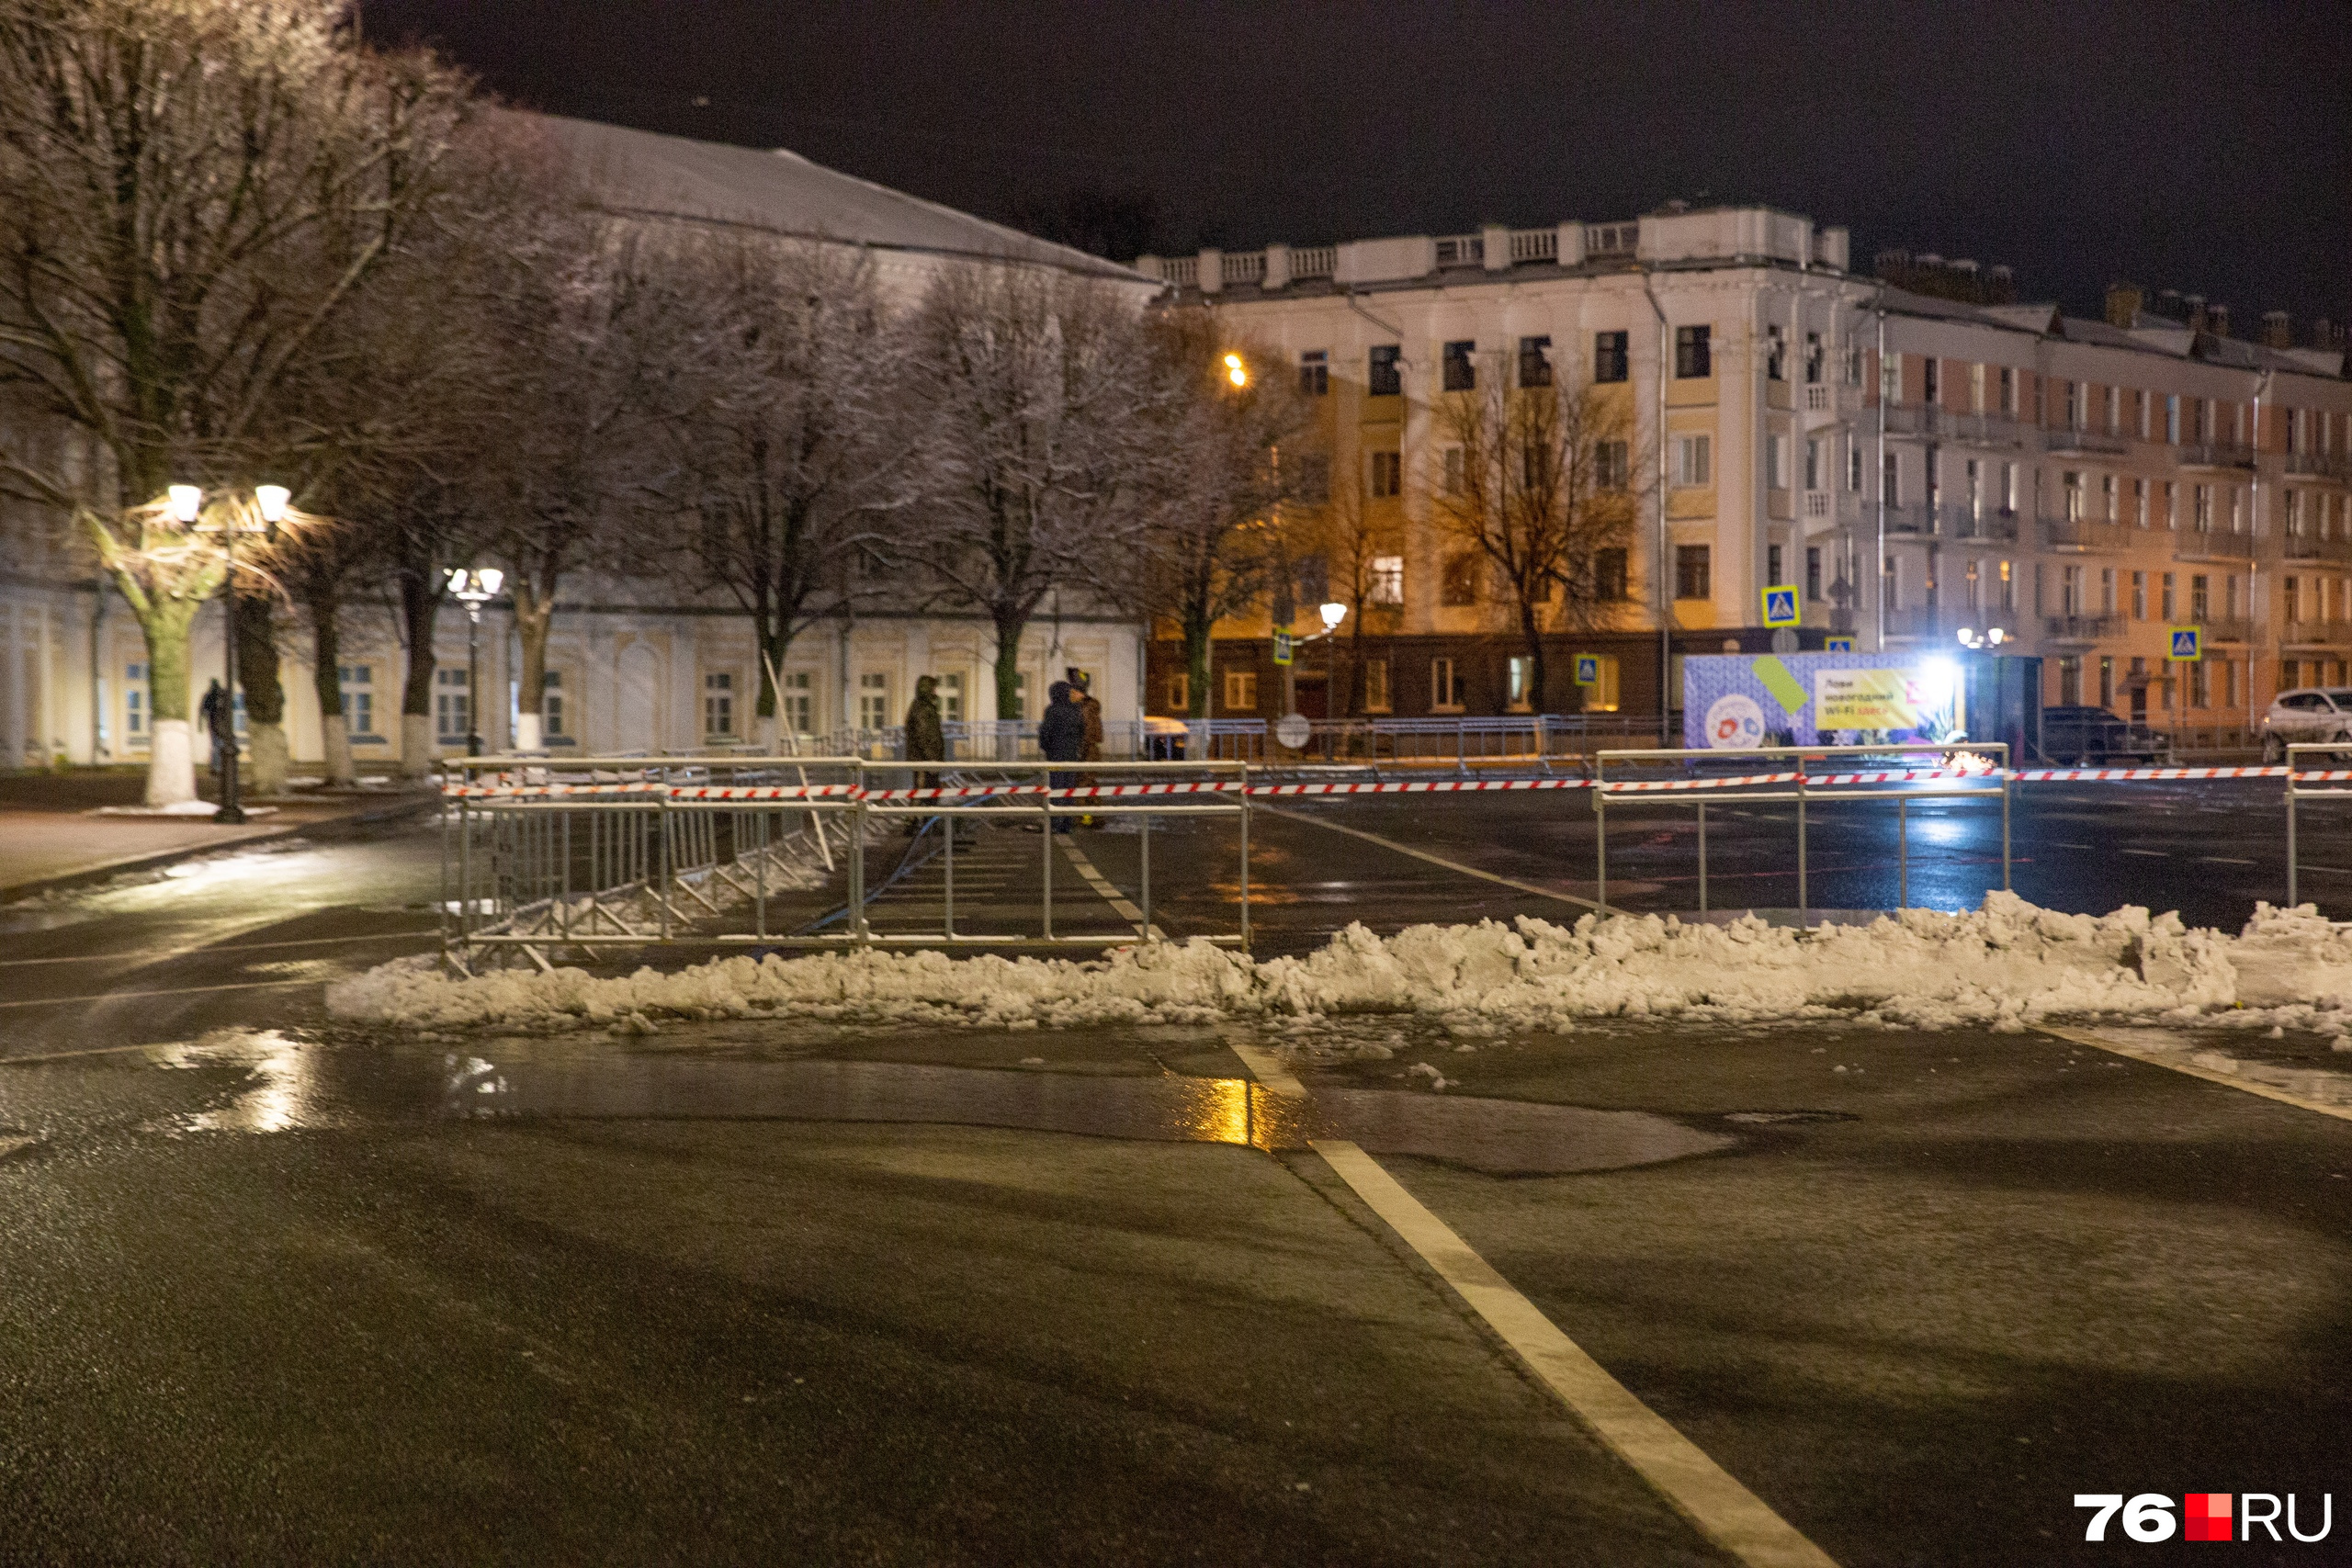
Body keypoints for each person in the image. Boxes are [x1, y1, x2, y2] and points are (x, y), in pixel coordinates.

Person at [1037, 679, 1088, 832]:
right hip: (1071, 755)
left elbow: (1045, 733)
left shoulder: (1052, 711)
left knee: (1056, 789)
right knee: (1069, 789)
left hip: (1056, 755)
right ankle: (1067, 823)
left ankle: (1055, 823)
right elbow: (1082, 732)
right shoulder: (1076, 710)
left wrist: (1047, 748)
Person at [198, 679, 233, 781]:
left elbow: (203, 711)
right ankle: (221, 768)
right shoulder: (224, 695)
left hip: (213, 725)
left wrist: (200, 725)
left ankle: (216, 768)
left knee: (216, 747)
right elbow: (232, 707)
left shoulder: (209, 695)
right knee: (221, 746)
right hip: (224, 726)